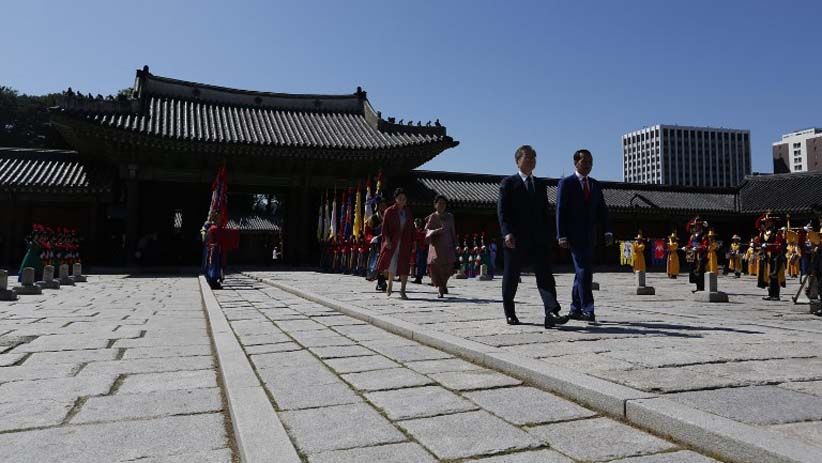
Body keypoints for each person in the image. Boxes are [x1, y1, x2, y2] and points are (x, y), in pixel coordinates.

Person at [498, 145, 568, 328]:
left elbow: (545, 213)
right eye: (528, 157)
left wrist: (550, 235)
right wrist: (507, 233)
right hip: (515, 239)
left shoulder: (540, 184)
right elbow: (502, 212)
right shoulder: (508, 184)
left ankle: (551, 311)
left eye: (534, 157)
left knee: (545, 275)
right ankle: (510, 311)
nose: (532, 160)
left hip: (538, 239)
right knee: (511, 276)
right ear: (517, 160)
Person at [556, 148, 613, 324]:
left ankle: (575, 308)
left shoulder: (595, 184)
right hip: (573, 236)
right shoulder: (566, 183)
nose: (588, 165)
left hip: (590, 236)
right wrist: (561, 235)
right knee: (585, 271)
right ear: (576, 163)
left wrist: (608, 230)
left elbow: (602, 210)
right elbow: (560, 210)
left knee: (581, 272)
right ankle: (588, 309)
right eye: (584, 161)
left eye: (590, 162)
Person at [376, 188, 415, 299]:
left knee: (404, 266)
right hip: (393, 242)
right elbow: (385, 229)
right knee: (392, 264)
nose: (402, 200)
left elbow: (412, 228)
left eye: (404, 198)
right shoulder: (389, 211)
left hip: (405, 242)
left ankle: (402, 290)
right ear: (396, 199)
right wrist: (387, 241)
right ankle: (390, 283)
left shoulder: (408, 212)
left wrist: (414, 241)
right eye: (400, 198)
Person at [425, 195, 458, 298]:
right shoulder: (432, 217)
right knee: (436, 268)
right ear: (435, 205)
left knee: (448, 267)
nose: (441, 205)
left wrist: (455, 244)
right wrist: (436, 231)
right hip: (436, 246)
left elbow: (453, 231)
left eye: (443, 203)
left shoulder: (450, 217)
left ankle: (443, 284)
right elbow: (427, 230)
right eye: (439, 203)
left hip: (447, 246)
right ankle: (440, 288)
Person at [687, 217, 708, 292]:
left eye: (698, 226)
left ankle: (701, 287)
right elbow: (690, 244)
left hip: (700, 254)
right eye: (695, 226)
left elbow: (705, 245)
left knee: (700, 270)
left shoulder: (703, 235)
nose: (696, 227)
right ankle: (697, 286)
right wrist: (687, 247)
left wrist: (698, 248)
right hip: (693, 254)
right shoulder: (693, 235)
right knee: (693, 270)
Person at [413, 218, 428, 284]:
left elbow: (416, 241)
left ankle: (418, 277)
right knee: (422, 263)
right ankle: (420, 276)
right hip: (424, 248)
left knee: (419, 263)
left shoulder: (417, 231)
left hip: (420, 248)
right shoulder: (423, 231)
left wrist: (415, 249)